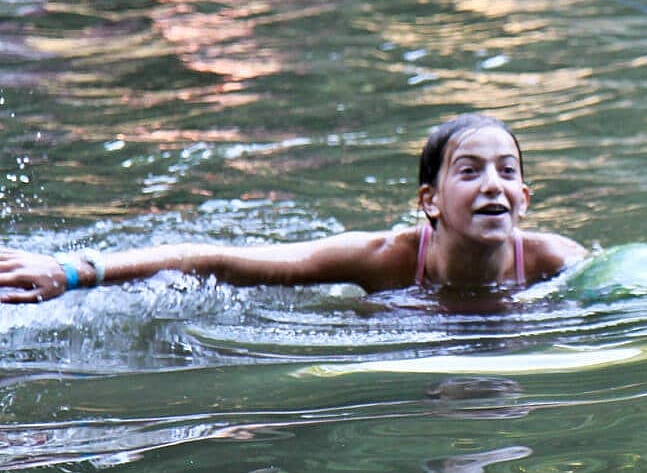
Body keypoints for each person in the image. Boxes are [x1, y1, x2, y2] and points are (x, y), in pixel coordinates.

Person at [0, 114, 587, 305]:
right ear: (429, 202)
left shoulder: (556, 262)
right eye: (470, 170)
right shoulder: (382, 259)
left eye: (507, 172)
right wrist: (76, 272)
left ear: (525, 199)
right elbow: (222, 259)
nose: (493, 186)